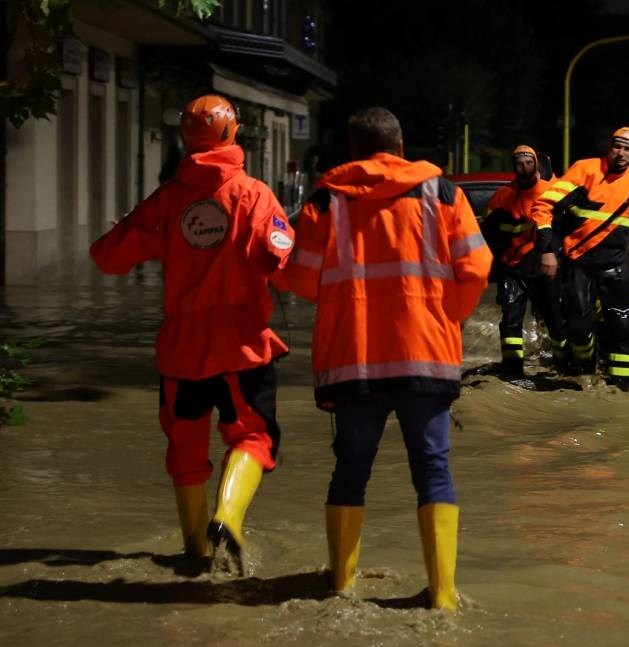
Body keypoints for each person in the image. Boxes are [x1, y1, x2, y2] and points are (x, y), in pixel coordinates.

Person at [281, 107, 491, 611]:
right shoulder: (442, 193)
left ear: (352, 151)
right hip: (426, 355)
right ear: (400, 146)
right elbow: (477, 266)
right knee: (434, 468)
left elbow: (303, 280)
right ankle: (442, 596)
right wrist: (447, 318)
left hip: (353, 359)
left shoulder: (325, 200)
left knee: (351, 468)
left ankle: (340, 586)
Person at [90, 94, 294, 573]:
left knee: (184, 447)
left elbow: (107, 257)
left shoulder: (166, 199)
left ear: (186, 136)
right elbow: (286, 266)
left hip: (181, 350)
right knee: (253, 437)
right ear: (232, 133)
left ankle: (195, 554)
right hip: (242, 344)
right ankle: (228, 516)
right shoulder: (254, 194)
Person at [531, 127, 629, 391]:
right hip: (579, 264)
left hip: (616, 266)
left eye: (628, 148)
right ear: (609, 147)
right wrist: (547, 249)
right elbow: (543, 206)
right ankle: (587, 371)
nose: (621, 153)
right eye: (617, 146)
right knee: (579, 328)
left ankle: (621, 386)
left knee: (623, 328)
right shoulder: (585, 170)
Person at [482, 145, 569, 376]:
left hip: (543, 265)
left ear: (536, 164)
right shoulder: (503, 196)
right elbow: (489, 234)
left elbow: (564, 228)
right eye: (519, 163)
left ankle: (564, 365)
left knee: (554, 318)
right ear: (514, 166)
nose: (524, 167)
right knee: (511, 320)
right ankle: (512, 370)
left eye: (528, 162)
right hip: (513, 266)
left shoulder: (551, 191)